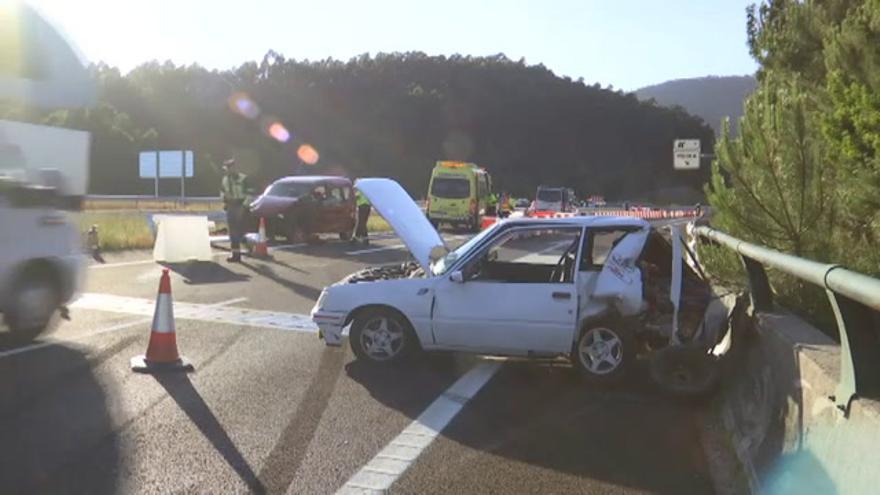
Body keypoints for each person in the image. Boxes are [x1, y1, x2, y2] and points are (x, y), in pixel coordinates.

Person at [220, 158, 254, 262]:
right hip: (230, 206)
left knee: (239, 231)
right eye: (227, 168)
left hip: (240, 205)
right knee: (232, 232)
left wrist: (245, 206)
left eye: (230, 168)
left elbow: (250, 193)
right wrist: (225, 202)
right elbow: (222, 192)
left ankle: (248, 247)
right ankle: (236, 255)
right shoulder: (225, 179)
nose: (228, 170)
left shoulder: (243, 178)